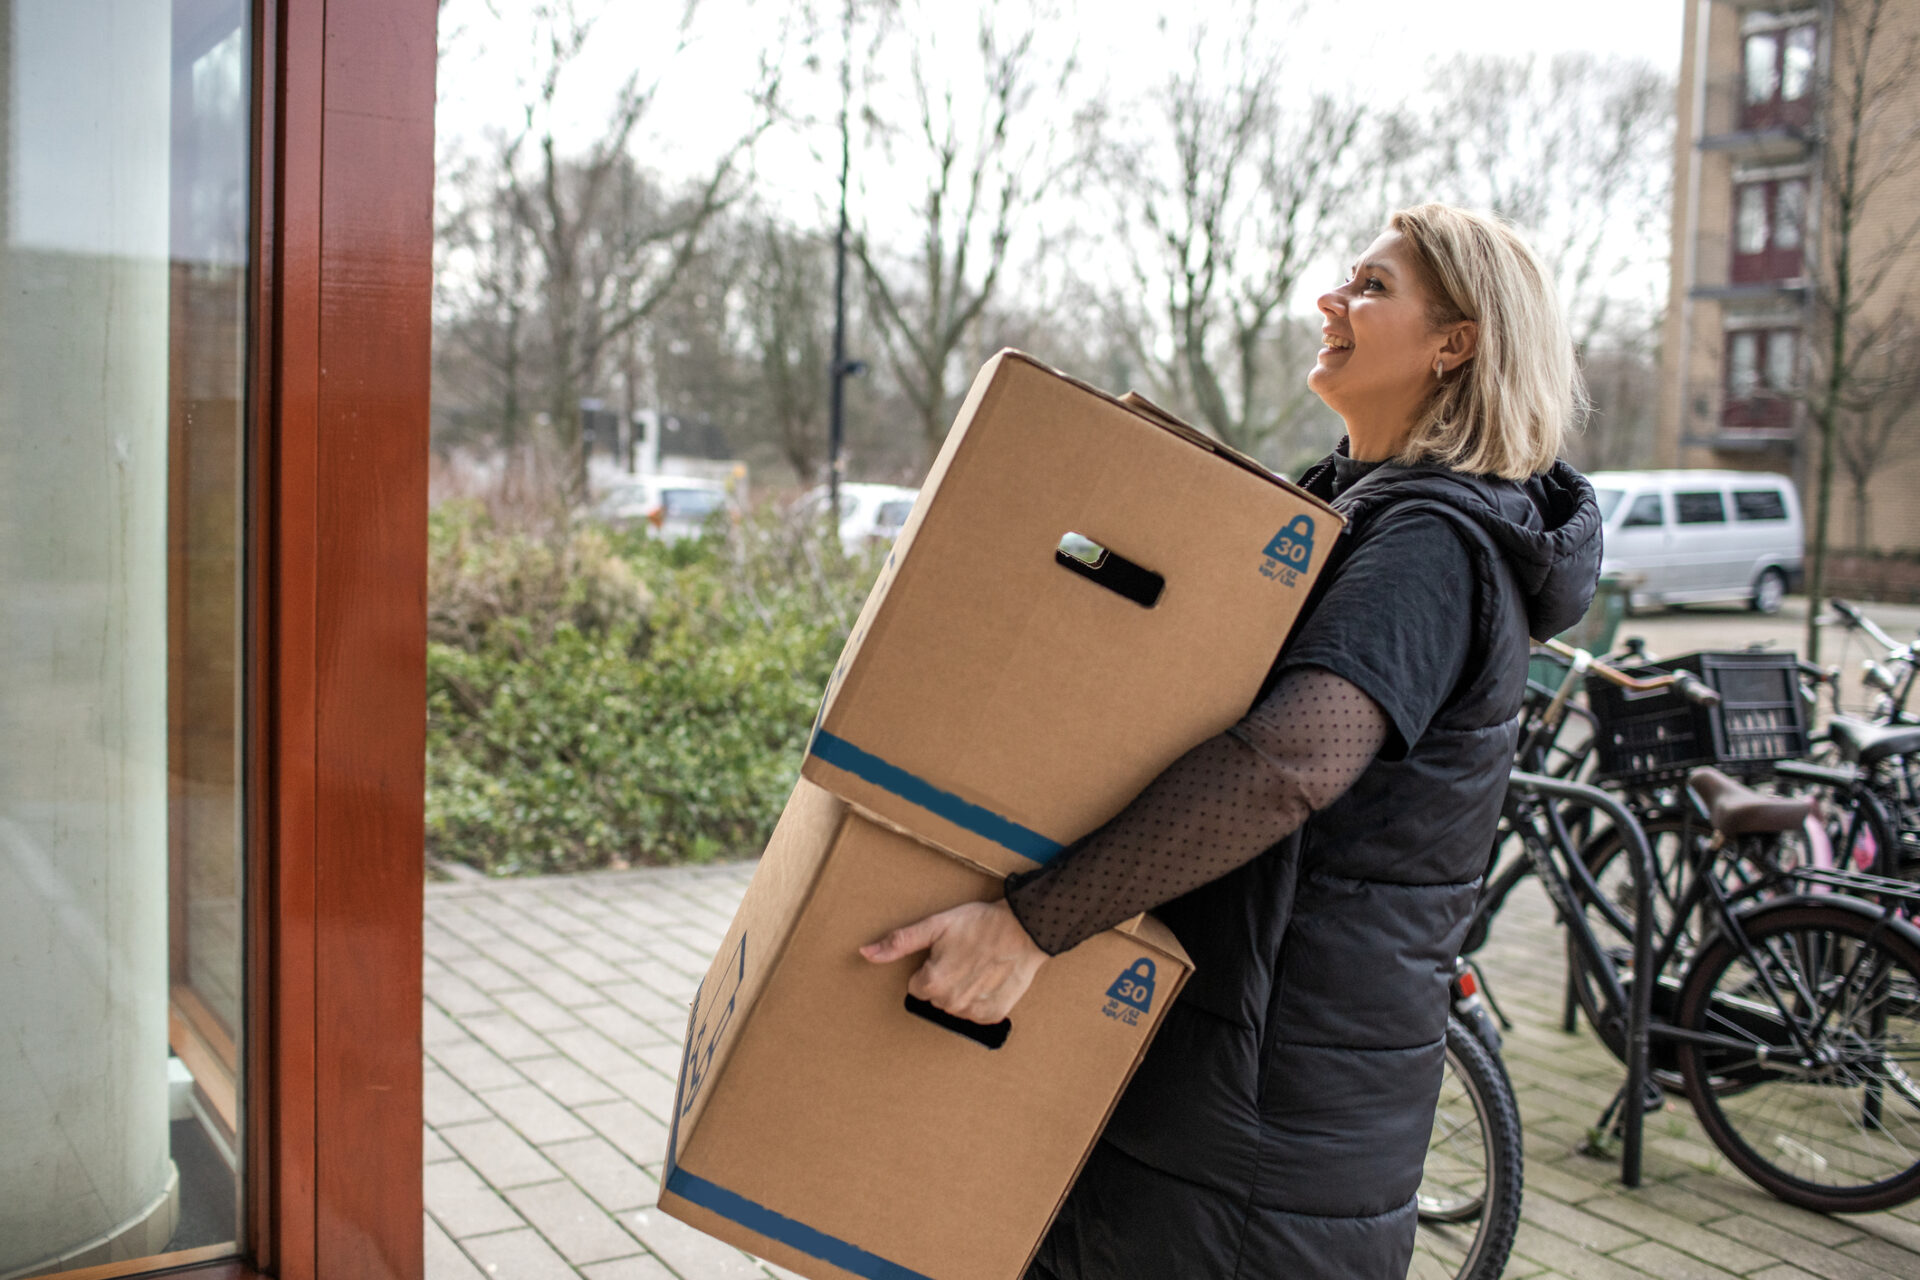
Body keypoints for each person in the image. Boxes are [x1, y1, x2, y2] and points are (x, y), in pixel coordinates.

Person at [859, 203, 1602, 1278]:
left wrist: (1033, 926)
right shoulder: (1350, 512)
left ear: (1458, 341)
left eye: (1372, 285)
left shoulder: (1434, 543)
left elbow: (1291, 760)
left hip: (1272, 1111)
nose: (1330, 300)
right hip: (1232, 1077)